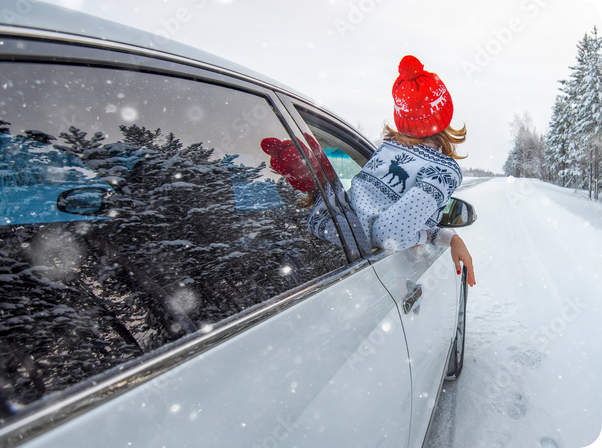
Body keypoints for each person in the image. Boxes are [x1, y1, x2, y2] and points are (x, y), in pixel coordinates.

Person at [350, 55, 476, 287]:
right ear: (444, 116)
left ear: (402, 118)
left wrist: (451, 237)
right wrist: (427, 236)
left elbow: (373, 215)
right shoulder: (441, 171)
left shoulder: (385, 152)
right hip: (379, 284)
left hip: (343, 259)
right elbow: (389, 236)